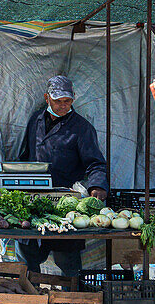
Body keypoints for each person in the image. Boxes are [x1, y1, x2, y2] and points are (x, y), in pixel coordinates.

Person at [14, 74, 109, 278]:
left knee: (67, 260)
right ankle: (32, 299)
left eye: (67, 101)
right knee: (27, 257)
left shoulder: (82, 128)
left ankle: (73, 298)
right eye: (58, 101)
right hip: (34, 200)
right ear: (47, 98)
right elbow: (26, 155)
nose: (63, 105)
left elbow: (95, 163)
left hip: (65, 203)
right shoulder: (35, 121)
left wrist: (97, 186)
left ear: (73, 98)